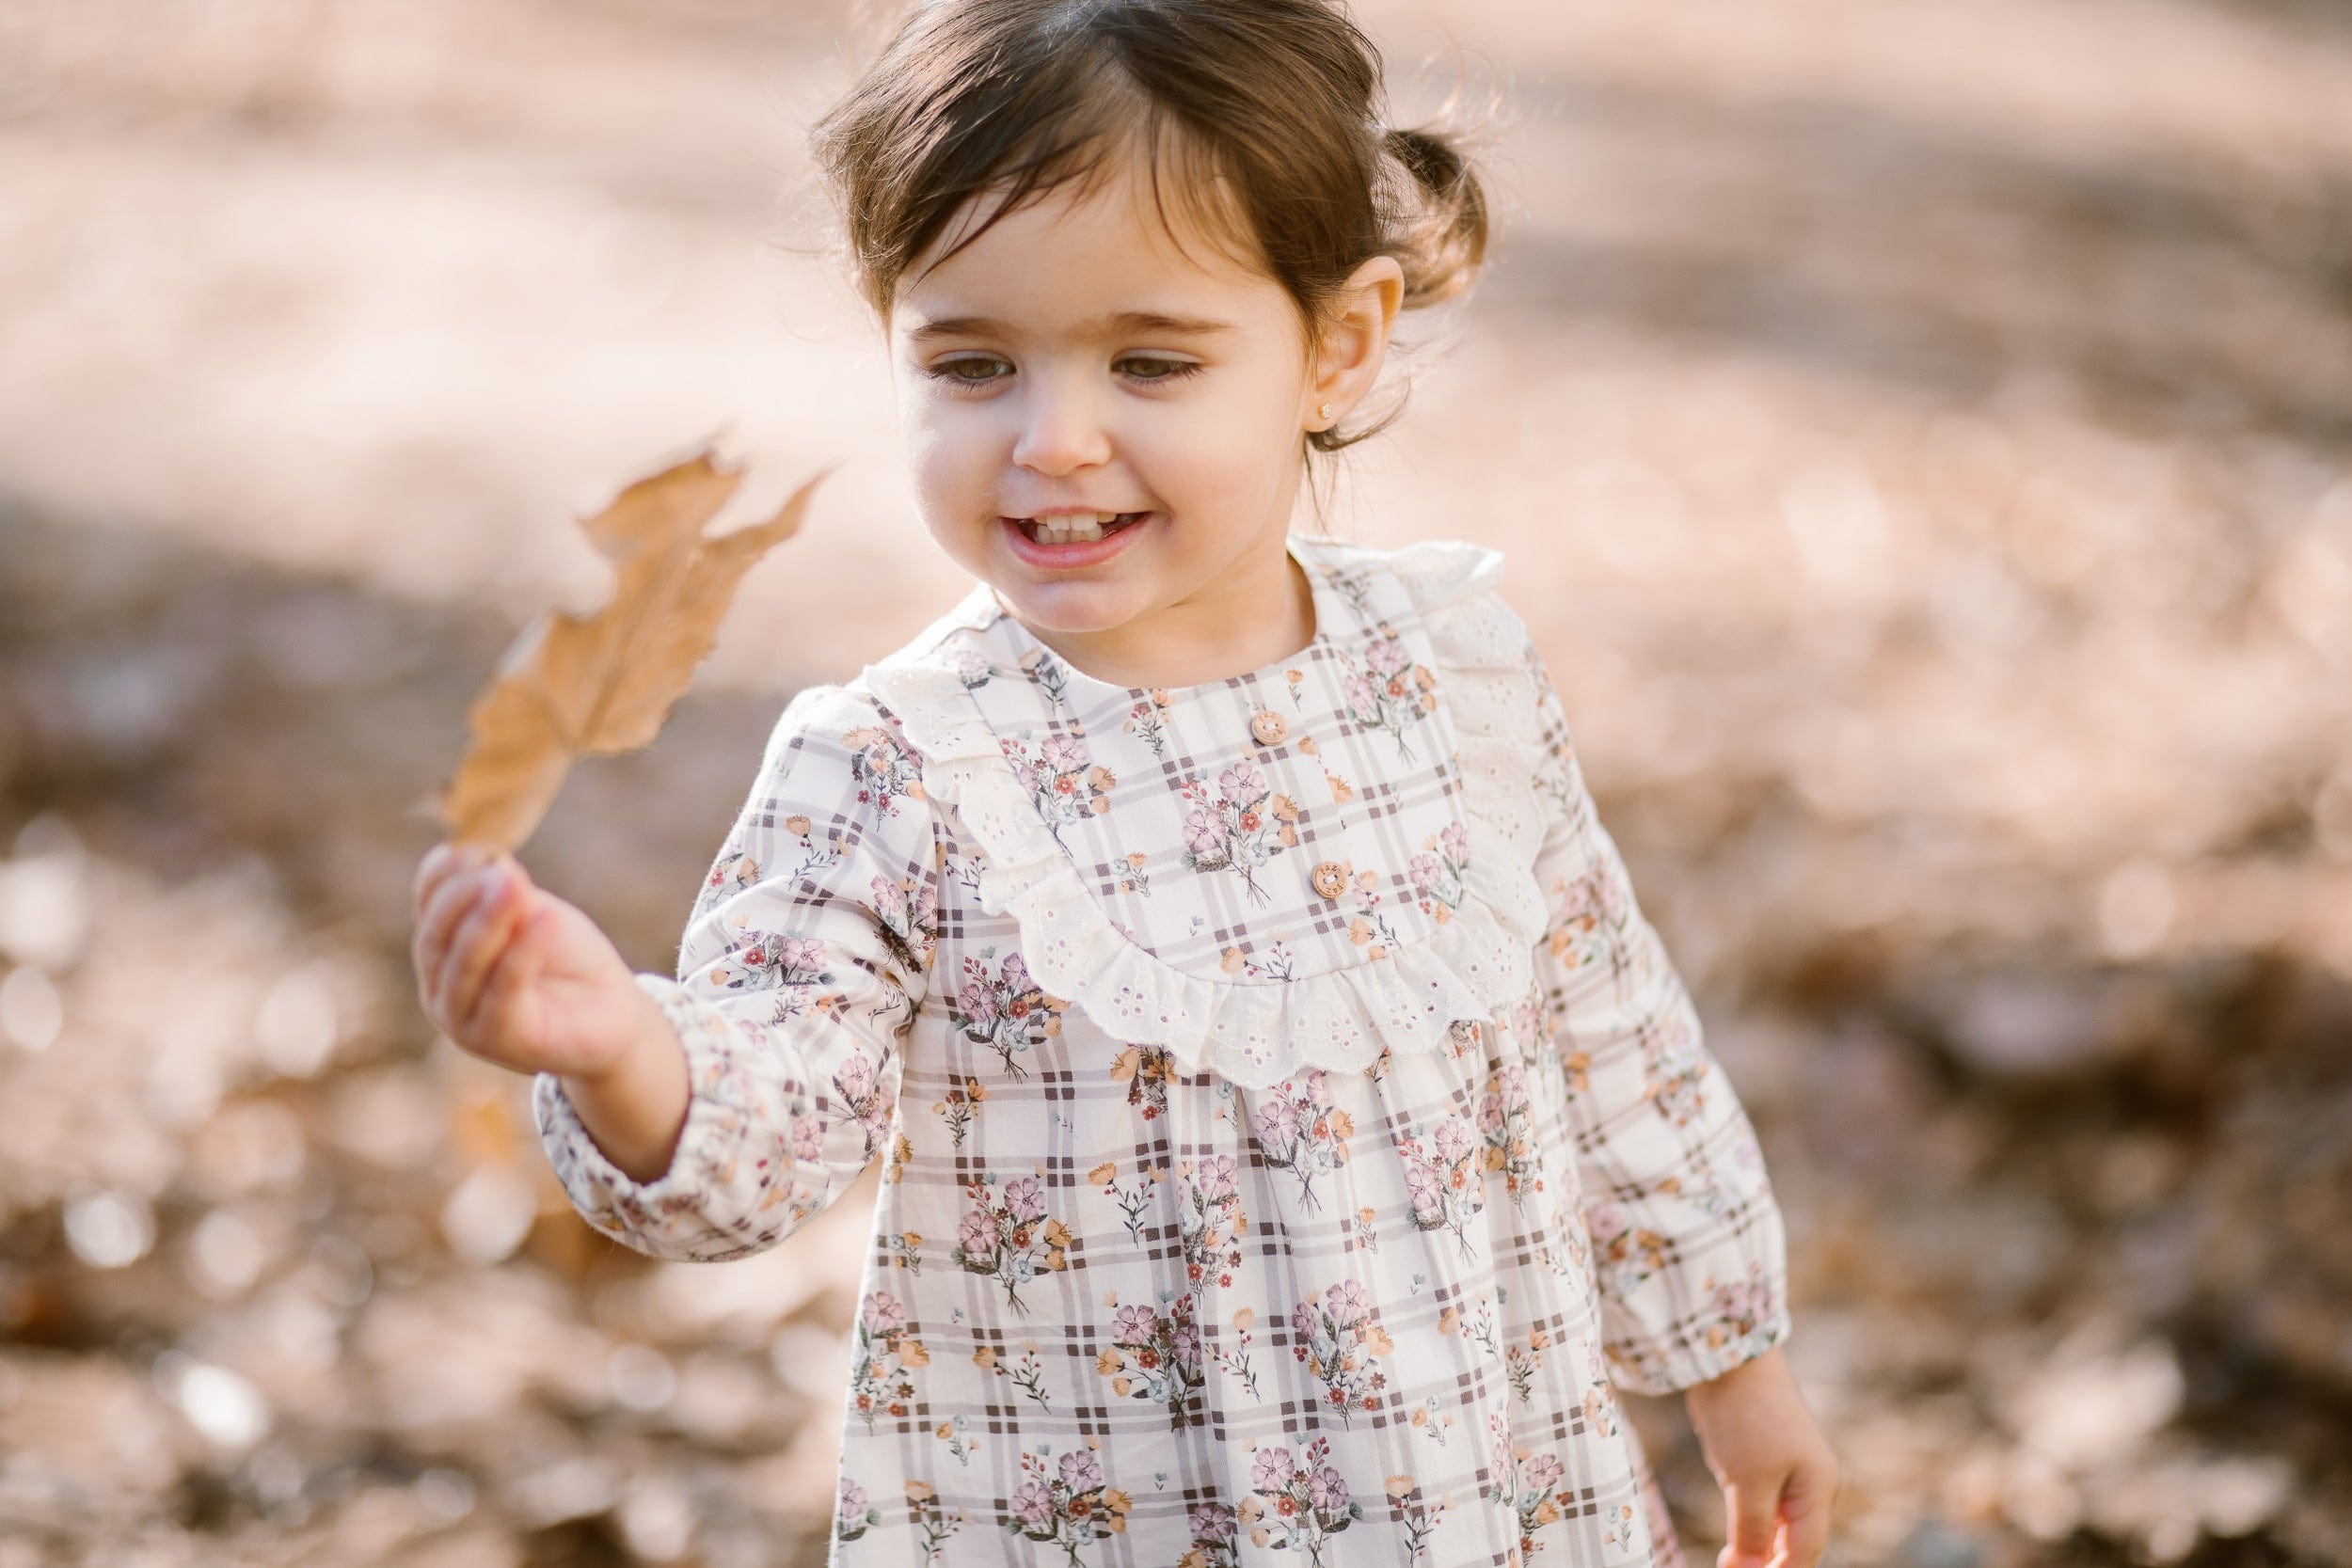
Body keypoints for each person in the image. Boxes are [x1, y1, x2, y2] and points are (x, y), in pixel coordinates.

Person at [410, 2, 1838, 1563]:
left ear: (1335, 344)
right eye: (972, 364)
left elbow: (1609, 1032)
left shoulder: (1451, 683)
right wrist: (622, 1047)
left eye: (1151, 360)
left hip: (1475, 1496)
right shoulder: (901, 768)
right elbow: (777, 1120)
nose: (1056, 438)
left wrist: (1729, 1363)